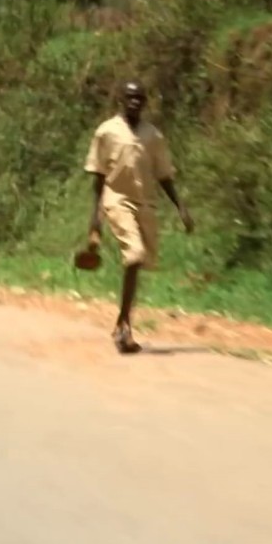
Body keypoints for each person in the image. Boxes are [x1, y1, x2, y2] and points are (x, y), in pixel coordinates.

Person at [83, 81, 194, 353]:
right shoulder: (106, 131)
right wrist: (95, 218)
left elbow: (164, 175)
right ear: (121, 99)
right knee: (134, 255)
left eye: (140, 98)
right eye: (130, 97)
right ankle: (125, 326)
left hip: (145, 204)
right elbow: (98, 176)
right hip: (116, 200)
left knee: (142, 261)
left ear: (145, 102)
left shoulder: (153, 136)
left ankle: (121, 323)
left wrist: (180, 207)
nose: (135, 102)